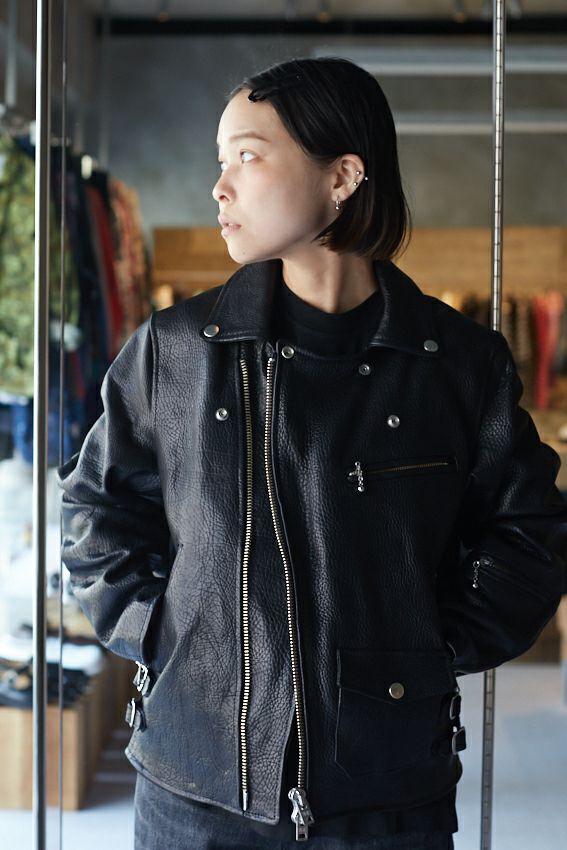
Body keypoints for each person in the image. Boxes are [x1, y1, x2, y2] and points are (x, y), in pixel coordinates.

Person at [56, 57, 567, 850]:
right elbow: (96, 512)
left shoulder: (456, 365)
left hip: (387, 796)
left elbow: (528, 535)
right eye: (219, 160)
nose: (220, 186)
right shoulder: (176, 352)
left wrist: (427, 649)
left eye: (247, 156)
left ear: (342, 176)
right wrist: (172, 635)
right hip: (196, 790)